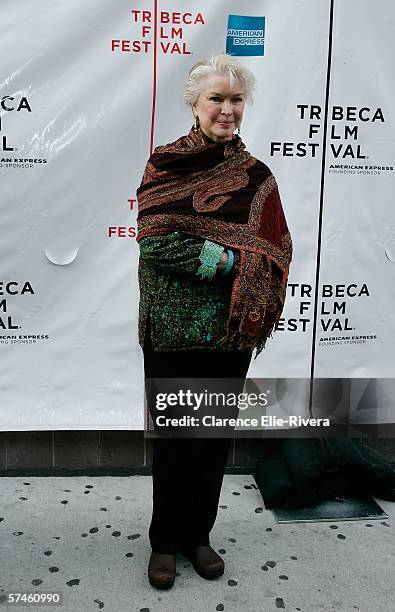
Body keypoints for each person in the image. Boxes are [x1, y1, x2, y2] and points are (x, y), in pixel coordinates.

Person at [136, 53, 292, 589]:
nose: (227, 110)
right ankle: (165, 543)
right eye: (216, 99)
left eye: (236, 99)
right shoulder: (167, 163)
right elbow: (156, 244)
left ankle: (200, 535)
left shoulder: (258, 176)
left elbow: (276, 247)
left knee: (214, 438)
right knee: (178, 438)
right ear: (195, 104)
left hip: (231, 332)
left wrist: (246, 265)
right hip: (174, 327)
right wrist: (228, 262)